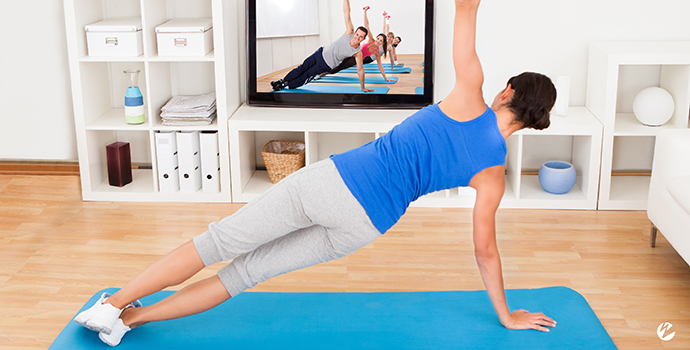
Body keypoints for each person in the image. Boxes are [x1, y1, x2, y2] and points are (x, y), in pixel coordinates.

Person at [74, 0, 558, 346]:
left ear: (506, 90)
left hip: (333, 184)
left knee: (218, 244)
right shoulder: (493, 174)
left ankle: (113, 303)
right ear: (533, 123)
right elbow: (485, 251)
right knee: (242, 275)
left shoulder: (470, 94)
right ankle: (129, 324)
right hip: (367, 225)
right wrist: (506, 314)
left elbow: (466, 7)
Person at [271, 0, 372, 92]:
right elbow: (346, 12)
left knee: (307, 74)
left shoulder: (357, 52)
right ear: (355, 33)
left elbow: (360, 70)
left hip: (326, 64)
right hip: (320, 53)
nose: (357, 37)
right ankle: (282, 80)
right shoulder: (349, 32)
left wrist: (362, 87)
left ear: (364, 39)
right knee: (302, 67)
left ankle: (287, 84)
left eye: (361, 37)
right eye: (357, 34)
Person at [326, 6, 392, 82]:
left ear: (382, 43)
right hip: (351, 51)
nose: (377, 41)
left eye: (380, 41)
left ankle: (325, 73)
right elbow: (366, 25)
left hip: (355, 59)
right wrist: (365, 12)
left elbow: (380, 66)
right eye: (378, 38)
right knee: (336, 60)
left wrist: (385, 78)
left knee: (340, 67)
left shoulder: (377, 52)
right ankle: (323, 69)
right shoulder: (371, 39)